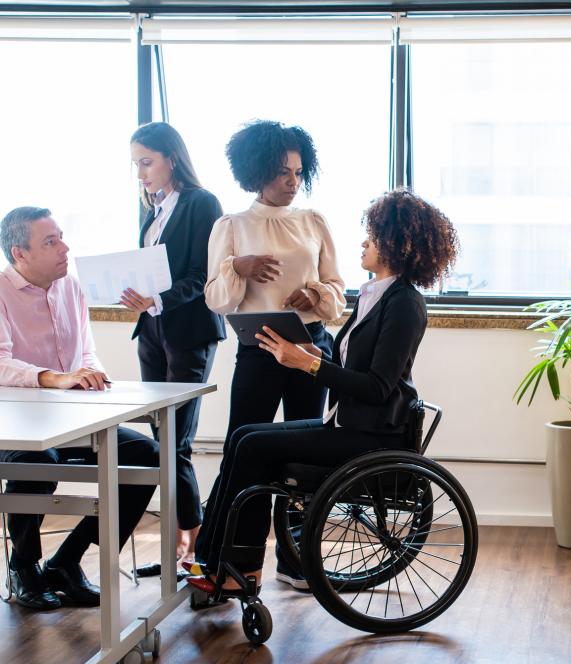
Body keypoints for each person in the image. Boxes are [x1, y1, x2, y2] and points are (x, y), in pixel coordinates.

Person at [187, 189, 459, 594]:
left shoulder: (405, 304)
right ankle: (213, 559)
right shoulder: (374, 297)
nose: (364, 243)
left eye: (373, 236)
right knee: (243, 437)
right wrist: (310, 351)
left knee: (254, 446)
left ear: (397, 245)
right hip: (349, 424)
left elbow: (378, 387)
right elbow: (357, 366)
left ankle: (238, 570)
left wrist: (308, 364)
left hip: (370, 434)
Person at [197, 120, 346, 588]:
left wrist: (315, 293)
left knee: (305, 462)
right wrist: (236, 267)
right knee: (244, 454)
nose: (292, 181)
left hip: (309, 351)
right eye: (282, 172)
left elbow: (339, 296)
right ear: (256, 172)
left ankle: (295, 558)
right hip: (259, 354)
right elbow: (218, 300)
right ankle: (238, 561)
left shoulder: (313, 221)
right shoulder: (232, 227)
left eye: (299, 172)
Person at [0, 206, 159, 611]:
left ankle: (65, 562)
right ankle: (23, 567)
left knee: (146, 456)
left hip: (72, 419)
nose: (64, 248)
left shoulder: (70, 287)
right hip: (14, 427)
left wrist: (93, 376)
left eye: (61, 237)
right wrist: (51, 377)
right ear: (20, 254)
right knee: (39, 458)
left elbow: (86, 350)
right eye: (50, 242)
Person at [122, 122, 225, 572]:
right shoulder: (153, 209)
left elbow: (205, 275)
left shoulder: (202, 203)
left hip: (188, 332)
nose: (141, 173)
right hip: (152, 332)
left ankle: (196, 549)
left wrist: (159, 299)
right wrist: (138, 297)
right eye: (136, 165)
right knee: (162, 440)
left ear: (172, 158)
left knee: (175, 443)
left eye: (146, 162)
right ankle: (180, 549)